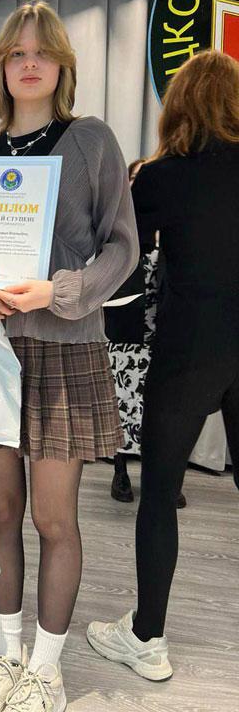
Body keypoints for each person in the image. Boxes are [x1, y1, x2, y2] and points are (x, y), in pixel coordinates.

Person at [0, 1, 139, 712]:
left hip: (64, 351)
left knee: (53, 520)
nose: (29, 63)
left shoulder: (91, 141)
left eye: (43, 52)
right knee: (0, 512)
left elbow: (123, 247)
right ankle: (6, 658)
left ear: (62, 65)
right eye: (16, 53)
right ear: (1, 67)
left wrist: (60, 291)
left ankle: (47, 671)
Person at [87, 49, 239, 681]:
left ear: (177, 106)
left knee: (157, 495)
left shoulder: (161, 177)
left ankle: (147, 638)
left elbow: (116, 254)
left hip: (189, 351)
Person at [104, 160, 187, 508]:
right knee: (124, 403)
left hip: (165, 332)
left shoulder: (174, 220)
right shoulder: (120, 227)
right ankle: (120, 471)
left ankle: (164, 479)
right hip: (127, 330)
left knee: (164, 409)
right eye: (135, 177)